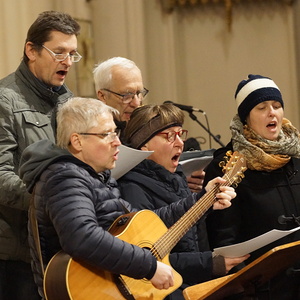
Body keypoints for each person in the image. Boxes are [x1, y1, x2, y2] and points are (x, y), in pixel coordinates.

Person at [19, 97, 237, 300]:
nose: (117, 143)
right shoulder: (64, 176)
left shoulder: (97, 176)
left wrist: (201, 201)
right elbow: (82, 236)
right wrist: (149, 267)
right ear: (77, 141)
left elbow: (143, 224)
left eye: (116, 133)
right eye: (106, 134)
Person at [117, 103, 249, 300]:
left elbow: (194, 242)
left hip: (190, 287)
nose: (180, 143)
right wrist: (209, 263)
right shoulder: (132, 189)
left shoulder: (178, 180)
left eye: (180, 134)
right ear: (143, 145)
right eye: (170, 136)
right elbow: (146, 259)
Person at [0, 11, 81, 300]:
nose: (67, 62)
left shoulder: (68, 100)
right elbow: (1, 174)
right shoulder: (5, 100)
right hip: (18, 253)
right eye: (59, 52)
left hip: (61, 245)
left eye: (72, 54)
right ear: (31, 50)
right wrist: (51, 199)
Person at [203, 74, 300, 299]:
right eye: (261, 107)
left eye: (276, 106)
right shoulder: (226, 165)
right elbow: (224, 239)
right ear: (246, 117)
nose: (272, 112)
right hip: (262, 289)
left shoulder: (295, 158)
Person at [93, 56, 205, 193]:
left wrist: (179, 181)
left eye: (139, 93)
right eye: (126, 95)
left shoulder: (146, 125)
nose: (136, 103)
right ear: (102, 96)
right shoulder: (89, 134)